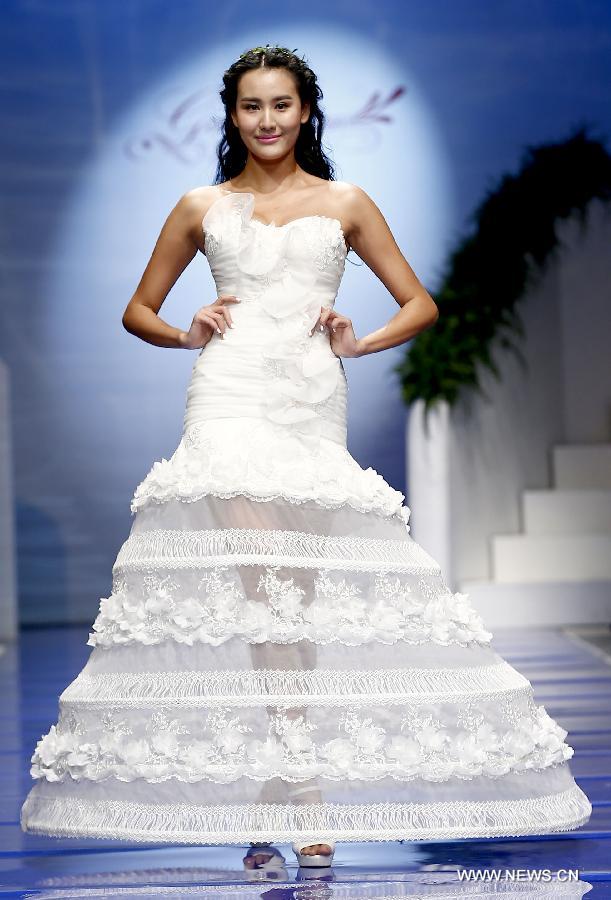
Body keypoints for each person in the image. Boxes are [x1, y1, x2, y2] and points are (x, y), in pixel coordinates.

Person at [20, 44, 591, 869]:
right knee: (263, 593)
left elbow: (420, 302)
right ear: (231, 116)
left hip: (311, 402)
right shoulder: (198, 206)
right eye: (250, 106)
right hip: (227, 401)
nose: (265, 121)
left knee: (299, 600)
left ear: (305, 112)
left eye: (280, 105)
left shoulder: (346, 202)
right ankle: (306, 787)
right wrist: (187, 329)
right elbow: (137, 309)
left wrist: (359, 343)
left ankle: (270, 788)